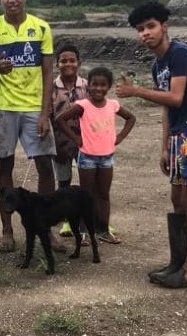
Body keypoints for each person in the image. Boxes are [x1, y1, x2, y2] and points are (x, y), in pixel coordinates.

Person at [115, 1, 187, 288]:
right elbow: (168, 110)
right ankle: (177, 263)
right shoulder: (157, 64)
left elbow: (176, 98)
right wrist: (164, 146)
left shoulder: (179, 55)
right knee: (177, 201)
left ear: (164, 26)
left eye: (150, 26)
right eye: (140, 30)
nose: (145, 34)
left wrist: (136, 91)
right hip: (179, 135)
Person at [0, 0, 65, 253]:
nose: (12, 0)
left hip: (33, 108)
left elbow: (48, 72)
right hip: (3, 107)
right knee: (4, 167)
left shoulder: (40, 28)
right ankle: (7, 231)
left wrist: (45, 113)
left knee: (44, 165)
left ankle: (48, 229)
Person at [55, 66, 136, 245]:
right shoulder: (82, 105)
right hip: (88, 158)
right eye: (94, 85)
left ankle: (103, 230)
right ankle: (83, 232)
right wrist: (76, 138)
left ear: (108, 86)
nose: (98, 88)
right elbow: (60, 120)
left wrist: (120, 137)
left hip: (107, 157)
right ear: (88, 86)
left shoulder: (113, 105)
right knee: (86, 195)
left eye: (103, 85)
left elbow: (131, 118)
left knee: (104, 195)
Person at [49, 44, 88, 237]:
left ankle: (87, 221)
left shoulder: (87, 86)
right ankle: (66, 221)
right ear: (57, 64)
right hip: (60, 143)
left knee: (87, 182)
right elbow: (48, 115)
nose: (68, 64)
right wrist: (54, 143)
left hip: (85, 142)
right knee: (64, 182)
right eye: (63, 61)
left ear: (79, 63)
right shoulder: (51, 88)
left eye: (72, 60)